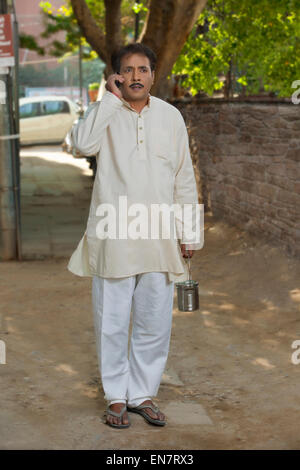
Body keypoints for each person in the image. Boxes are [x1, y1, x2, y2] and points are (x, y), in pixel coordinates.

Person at [67, 43, 202, 428]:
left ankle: (142, 393)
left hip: (160, 235)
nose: (136, 76)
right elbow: (81, 145)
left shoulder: (171, 117)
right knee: (111, 318)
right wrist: (107, 100)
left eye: (143, 69)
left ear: (154, 76)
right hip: (115, 232)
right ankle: (115, 396)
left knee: (154, 320)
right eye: (128, 70)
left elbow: (183, 177)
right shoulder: (104, 112)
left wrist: (188, 231)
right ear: (116, 76)